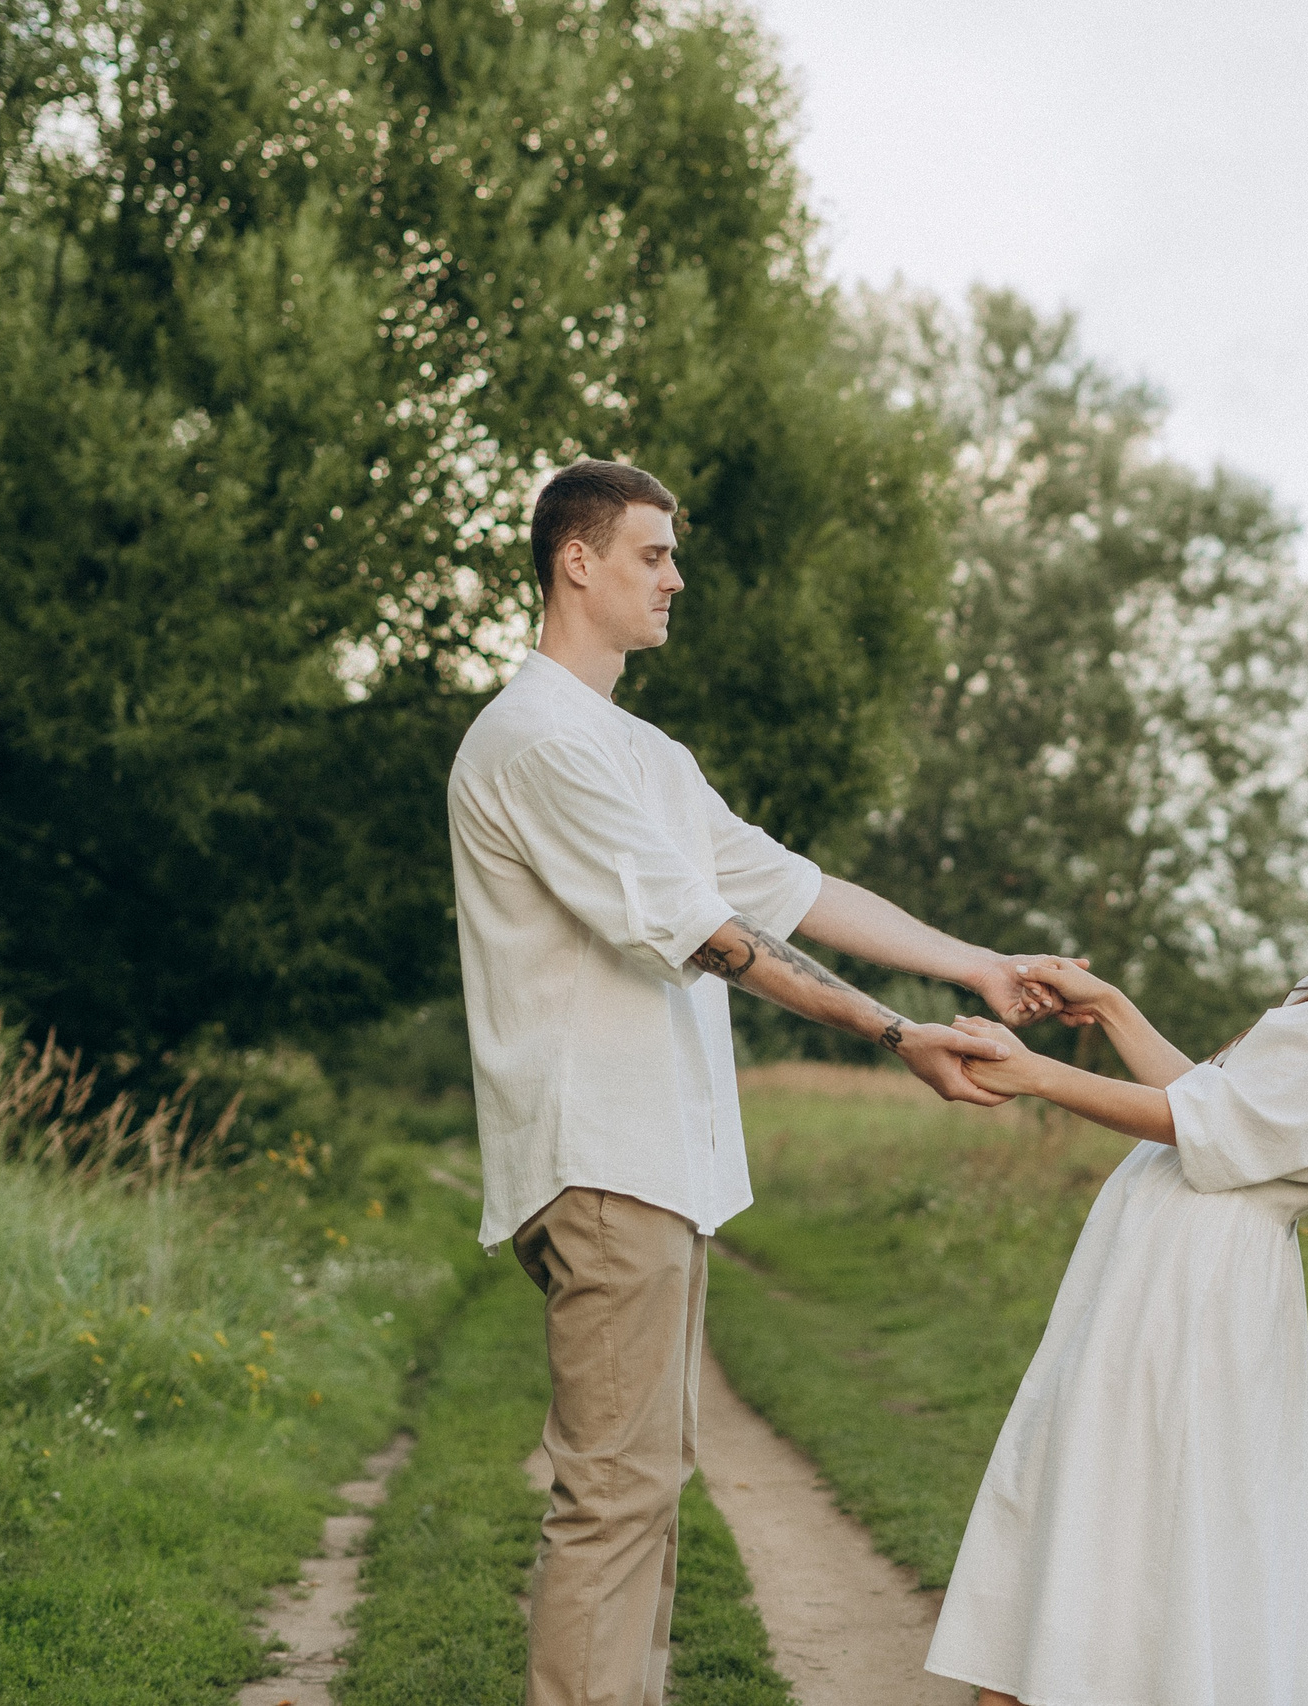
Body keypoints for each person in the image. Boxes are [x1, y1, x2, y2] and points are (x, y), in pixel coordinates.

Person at [448, 457, 1061, 1706]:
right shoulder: (534, 741)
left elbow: (793, 887)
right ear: (577, 560)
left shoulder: (638, 751)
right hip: (601, 1157)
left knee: (648, 1483)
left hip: (657, 1164)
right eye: (652, 554)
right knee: (614, 1491)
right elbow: (709, 935)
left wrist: (979, 965)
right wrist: (899, 1036)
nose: (677, 576)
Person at [922, 807, 1308, 1706]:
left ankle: (1059, 1682)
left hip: (1191, 1297)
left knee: (1119, 1508)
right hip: (1170, 1279)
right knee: (1099, 1499)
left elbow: (1189, 1121)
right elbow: (1210, 1094)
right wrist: (1112, 1007)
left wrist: (1036, 1074)